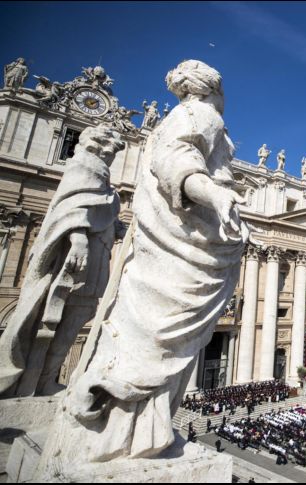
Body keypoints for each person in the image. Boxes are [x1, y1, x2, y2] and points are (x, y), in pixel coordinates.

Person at [45, 60, 247, 467]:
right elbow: (176, 160)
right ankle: (127, 431)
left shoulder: (178, 119)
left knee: (149, 330)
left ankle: (129, 430)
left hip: (177, 234)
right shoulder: (200, 114)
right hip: (186, 241)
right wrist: (214, 193)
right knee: (160, 332)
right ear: (213, 89)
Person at [0, 124, 125, 397]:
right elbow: (71, 209)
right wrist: (78, 238)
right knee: (45, 318)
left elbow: (98, 216)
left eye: (114, 152)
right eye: (108, 148)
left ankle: (45, 381)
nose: (111, 154)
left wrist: (116, 228)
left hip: (97, 260)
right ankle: (28, 382)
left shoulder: (106, 183)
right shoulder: (83, 166)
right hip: (73, 258)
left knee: (77, 316)